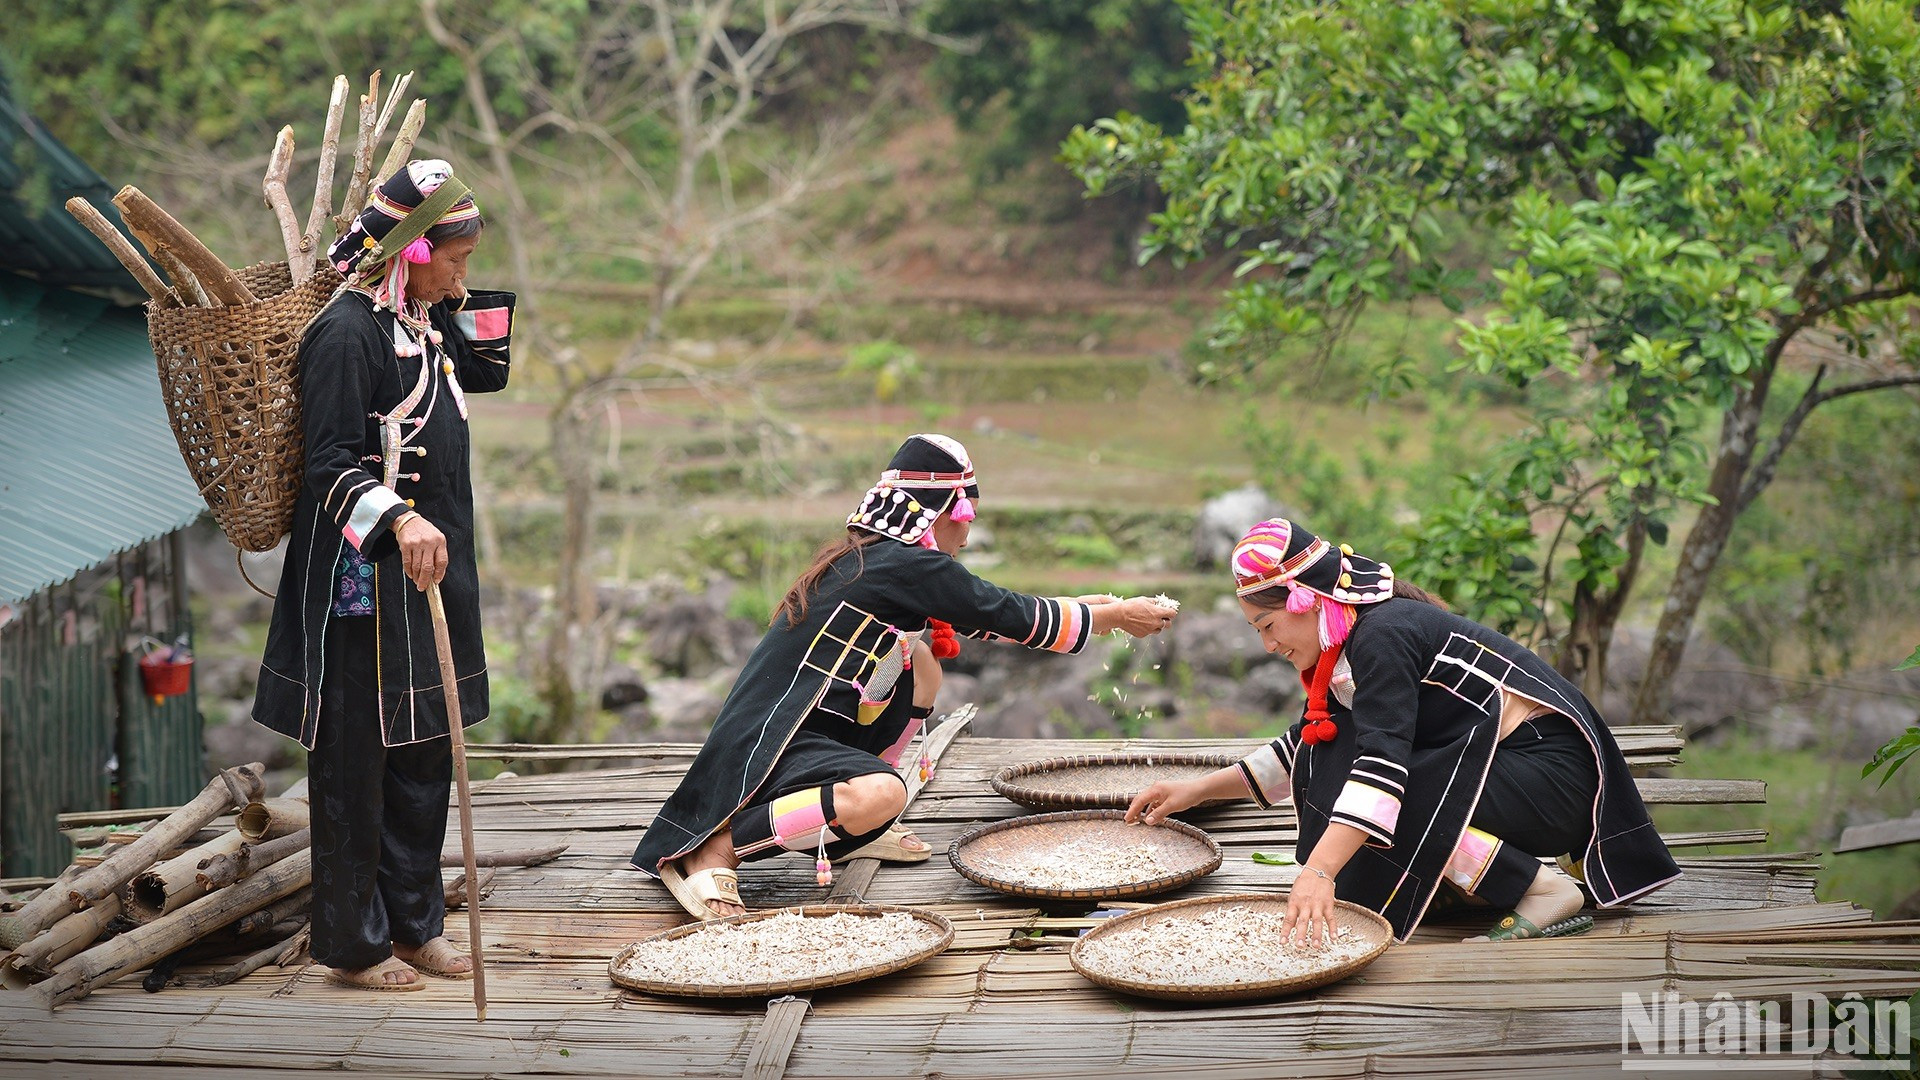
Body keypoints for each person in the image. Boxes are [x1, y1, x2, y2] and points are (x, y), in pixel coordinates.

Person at [632, 434, 1177, 919]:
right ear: (938, 512)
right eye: (965, 518)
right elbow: (1002, 610)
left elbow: (985, 613)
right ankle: (717, 846)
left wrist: (1100, 610)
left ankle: (855, 822)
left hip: (813, 727)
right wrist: (1116, 615)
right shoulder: (906, 566)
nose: (966, 533)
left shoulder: (879, 560)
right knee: (882, 792)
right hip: (774, 741)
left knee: (920, 662)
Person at [1127, 518, 1680, 945]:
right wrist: (1195, 790)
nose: (1267, 645)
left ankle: (1540, 887)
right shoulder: (1351, 644)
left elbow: (1380, 767)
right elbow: (1311, 744)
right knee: (1342, 762)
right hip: (1516, 779)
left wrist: (1319, 871)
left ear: (1307, 601)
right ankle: (1466, 880)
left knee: (1379, 788)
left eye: (1267, 626)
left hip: (1552, 780)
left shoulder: (1381, 636)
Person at [252, 160, 515, 990]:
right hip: (359, 585)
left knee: (424, 753)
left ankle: (413, 926)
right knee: (356, 763)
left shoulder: (420, 324)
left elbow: (491, 367)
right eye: (456, 256)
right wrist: (398, 517)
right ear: (410, 252)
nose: (464, 274)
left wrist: (451, 292)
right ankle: (352, 945)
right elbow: (325, 467)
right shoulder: (345, 334)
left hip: (431, 575)